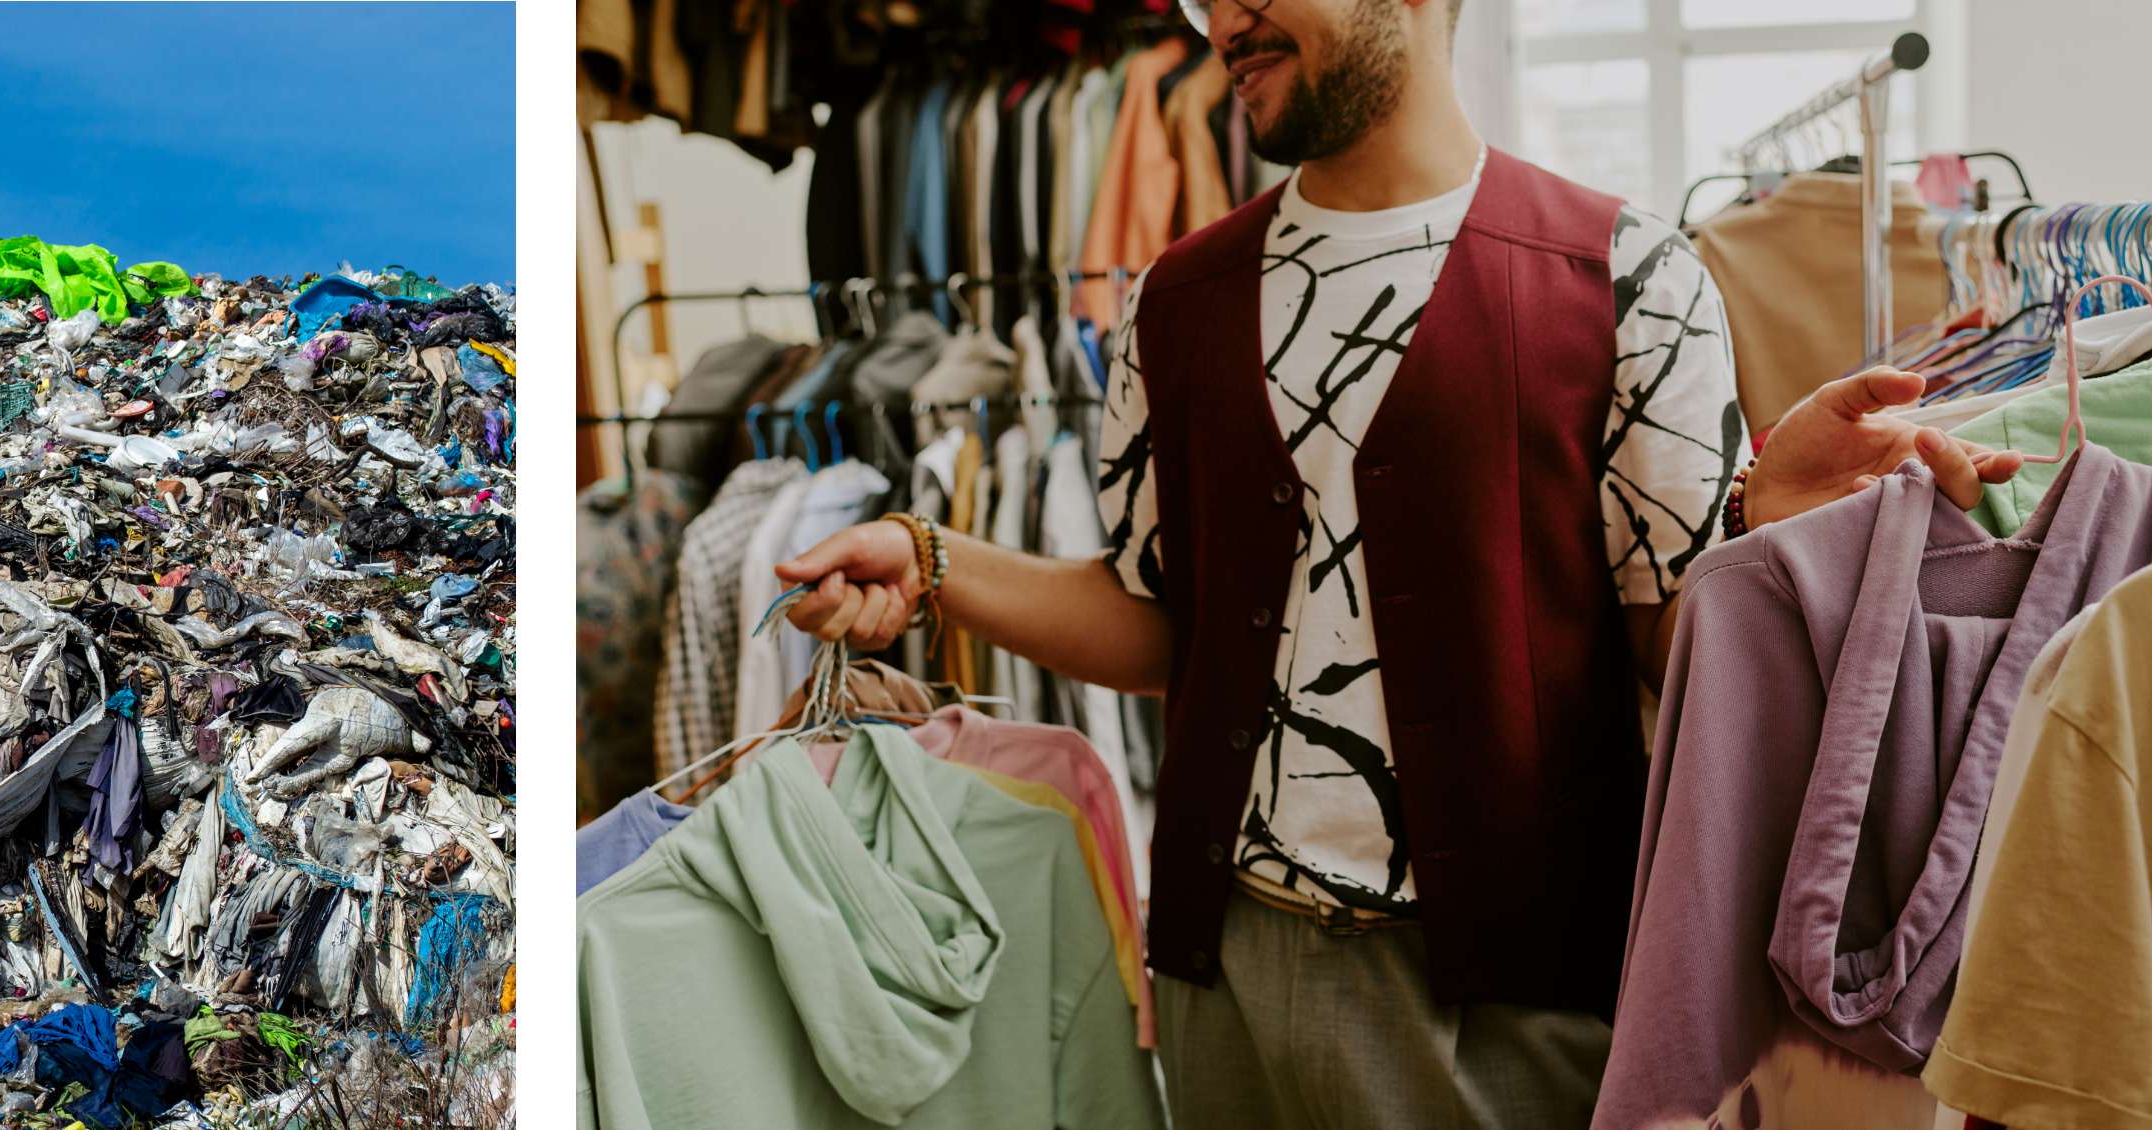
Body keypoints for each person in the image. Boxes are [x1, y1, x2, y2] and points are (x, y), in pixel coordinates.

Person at [774, 0, 2025, 1125]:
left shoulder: (1633, 279)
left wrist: (1769, 525)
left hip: (1515, 994)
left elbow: (1675, 646)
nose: (1224, 20)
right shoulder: (1174, 300)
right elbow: (1161, 624)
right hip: (1224, 979)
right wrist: (930, 559)